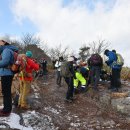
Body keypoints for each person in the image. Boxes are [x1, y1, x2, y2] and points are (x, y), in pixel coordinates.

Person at [0, 39, 18, 116]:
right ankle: (6, 108)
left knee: (6, 92)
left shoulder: (6, 50)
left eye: (0, 41)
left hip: (6, 73)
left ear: (4, 42)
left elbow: (4, 62)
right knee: (6, 92)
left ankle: (6, 110)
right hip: (8, 73)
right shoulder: (9, 49)